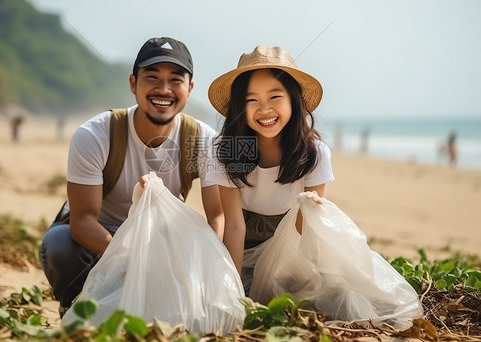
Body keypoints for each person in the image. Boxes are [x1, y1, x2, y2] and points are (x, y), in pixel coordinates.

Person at [39, 37, 224, 317]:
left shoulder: (202, 140)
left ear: (190, 88)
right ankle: (73, 303)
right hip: (97, 243)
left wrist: (208, 266)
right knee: (59, 246)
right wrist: (134, 258)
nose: (164, 89)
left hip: (157, 240)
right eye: (152, 77)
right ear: (133, 83)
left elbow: (217, 217)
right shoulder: (96, 135)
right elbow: (82, 222)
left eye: (175, 80)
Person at [206, 45, 334, 295]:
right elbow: (234, 226)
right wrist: (232, 290)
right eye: (251, 100)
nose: (264, 110)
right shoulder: (224, 149)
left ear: (294, 101)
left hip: (292, 251)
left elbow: (303, 231)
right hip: (242, 248)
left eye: (275, 97)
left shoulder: (315, 153)